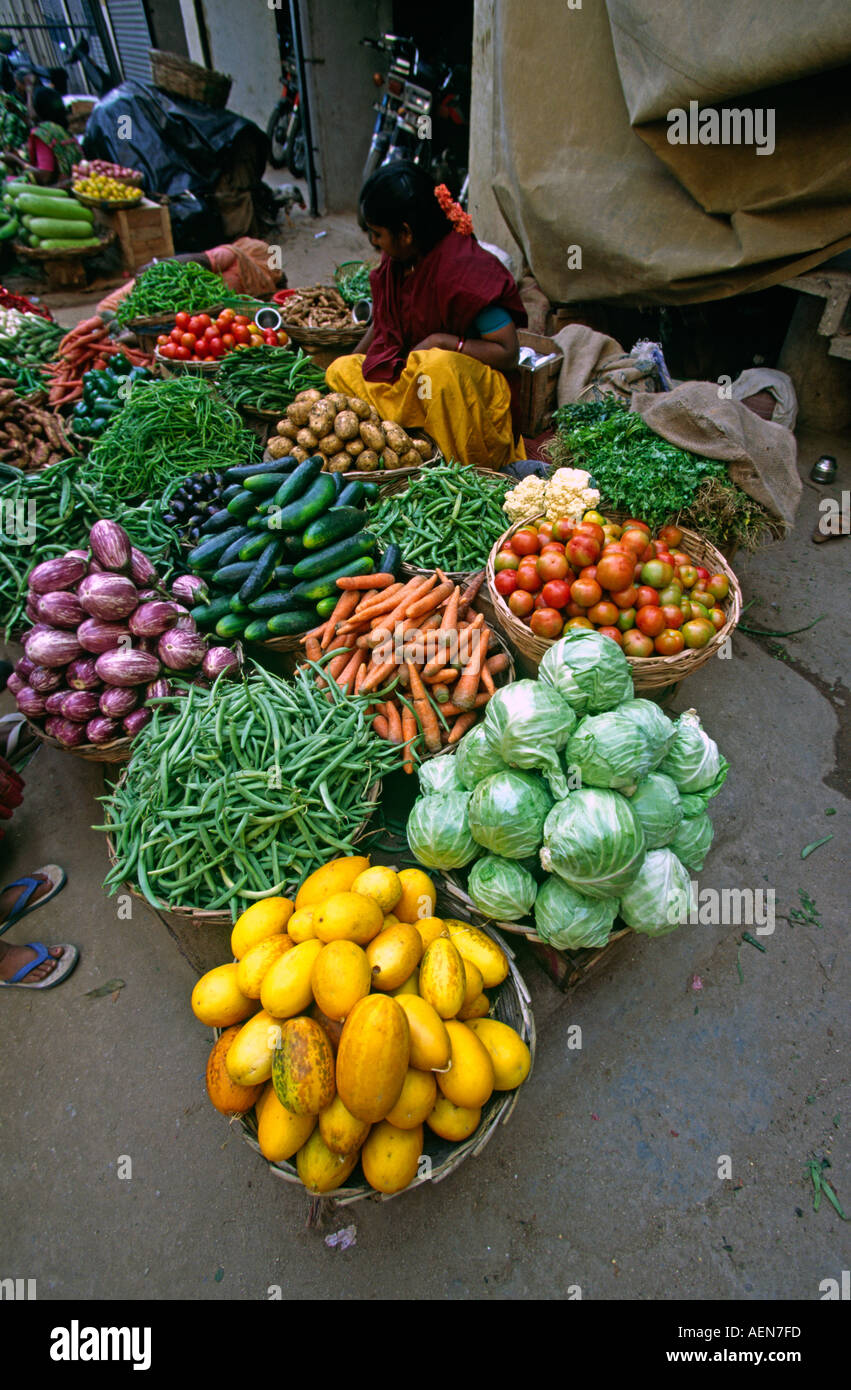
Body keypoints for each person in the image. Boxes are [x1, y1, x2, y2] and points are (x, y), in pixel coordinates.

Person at [326, 162, 528, 469]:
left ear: (405, 233)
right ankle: (397, 444)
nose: (373, 242)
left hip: (461, 392)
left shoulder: (465, 270)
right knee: (340, 370)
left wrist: (443, 341)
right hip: (411, 374)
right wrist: (347, 367)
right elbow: (384, 323)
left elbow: (508, 352)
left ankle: (453, 466)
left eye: (377, 234)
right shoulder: (401, 260)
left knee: (436, 365)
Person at [97, 240, 286, 318]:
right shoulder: (238, 256)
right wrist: (156, 266)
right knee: (110, 311)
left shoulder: (254, 288)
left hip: (172, 309)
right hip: (154, 288)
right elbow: (202, 259)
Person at [3, 83, 78, 186]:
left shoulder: (43, 134)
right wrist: (18, 113)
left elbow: (44, 177)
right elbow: (31, 122)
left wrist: (17, 161)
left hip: (56, 191)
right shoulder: (62, 129)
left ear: (38, 109)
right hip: (72, 185)